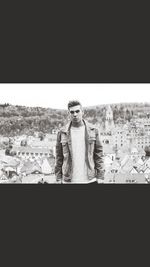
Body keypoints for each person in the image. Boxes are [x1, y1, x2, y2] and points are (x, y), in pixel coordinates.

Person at [55, 100, 104, 184]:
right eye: (72, 112)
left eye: (77, 111)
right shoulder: (62, 133)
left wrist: (100, 176)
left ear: (83, 112)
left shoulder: (93, 130)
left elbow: (99, 155)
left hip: (90, 180)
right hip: (69, 180)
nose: (75, 114)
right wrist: (58, 178)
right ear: (68, 114)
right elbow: (59, 157)